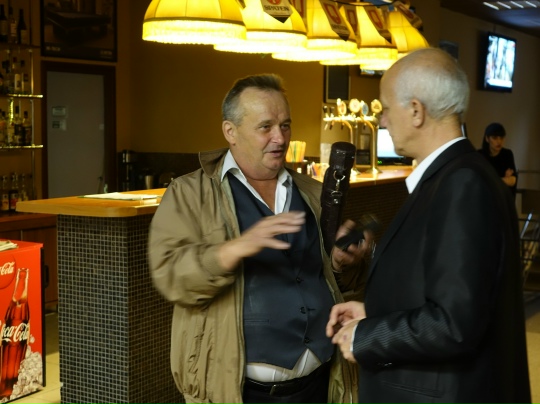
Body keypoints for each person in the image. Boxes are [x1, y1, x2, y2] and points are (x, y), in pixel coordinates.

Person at [148, 73, 372, 404]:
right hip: (241, 392)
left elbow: (333, 281)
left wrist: (342, 263)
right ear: (230, 131)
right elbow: (170, 276)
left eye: (285, 125)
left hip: (321, 383)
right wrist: (233, 249)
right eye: (265, 127)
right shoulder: (189, 193)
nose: (279, 138)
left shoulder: (311, 193)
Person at [326, 48, 531, 404]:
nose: (383, 121)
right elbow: (447, 290)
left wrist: (366, 336)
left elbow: (454, 324)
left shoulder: (462, 184)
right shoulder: (452, 177)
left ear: (416, 111)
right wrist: (373, 313)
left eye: (385, 108)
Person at [479, 122, 518, 198]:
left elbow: (512, 180)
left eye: (501, 138)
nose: (499, 141)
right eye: (495, 138)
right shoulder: (480, 155)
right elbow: (478, 181)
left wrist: (489, 181)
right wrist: (503, 180)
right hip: (485, 198)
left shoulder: (507, 154)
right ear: (487, 138)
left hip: (503, 198)